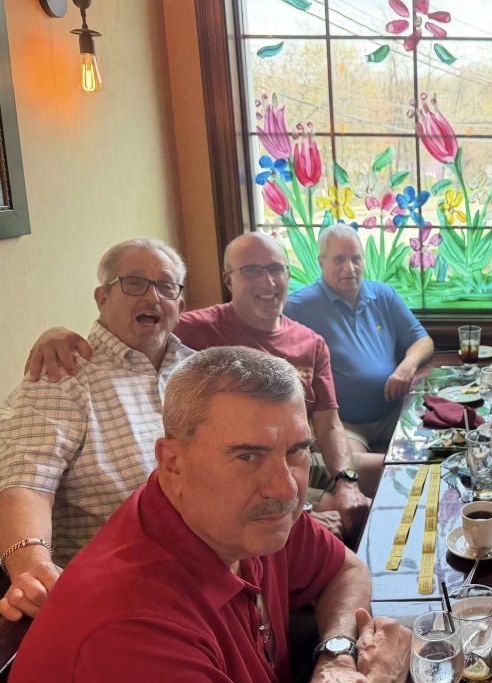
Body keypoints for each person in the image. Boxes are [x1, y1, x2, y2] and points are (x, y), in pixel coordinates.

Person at [1, 347, 411, 683]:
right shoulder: (132, 636)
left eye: (296, 451)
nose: (286, 488)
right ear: (172, 462)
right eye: (247, 456)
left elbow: (344, 569)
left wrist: (337, 658)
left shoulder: (244, 517)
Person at [22, 233, 374, 544]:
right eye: (252, 270)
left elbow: (328, 424)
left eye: (275, 269)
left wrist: (347, 481)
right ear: (228, 280)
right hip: (246, 465)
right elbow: (27, 478)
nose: (267, 281)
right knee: (342, 517)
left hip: (291, 452)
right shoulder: (197, 334)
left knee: (375, 488)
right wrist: (54, 334)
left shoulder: (306, 342)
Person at [0, 239, 193, 622]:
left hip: (210, 574)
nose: (152, 296)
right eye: (135, 283)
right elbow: (26, 481)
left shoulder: (200, 374)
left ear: (180, 305)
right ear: (102, 297)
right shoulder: (61, 374)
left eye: (165, 286)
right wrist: (31, 566)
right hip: (120, 596)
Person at [287, 225, 434, 452]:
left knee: (434, 447)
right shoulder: (297, 307)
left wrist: (406, 367)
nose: (350, 268)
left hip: (395, 413)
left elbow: (423, 340)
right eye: (339, 260)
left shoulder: (384, 295)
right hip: (341, 424)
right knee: (353, 469)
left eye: (356, 258)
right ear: (321, 262)